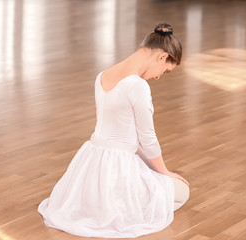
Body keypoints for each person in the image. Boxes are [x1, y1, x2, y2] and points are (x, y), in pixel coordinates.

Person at [38, 22, 190, 238]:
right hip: (119, 166)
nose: (158, 76)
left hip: (90, 162)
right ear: (162, 57)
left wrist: (156, 171)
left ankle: (99, 204)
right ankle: (124, 208)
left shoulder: (102, 76)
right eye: (165, 71)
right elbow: (147, 138)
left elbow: (125, 138)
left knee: (157, 183)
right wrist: (164, 172)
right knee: (182, 192)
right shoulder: (138, 86)